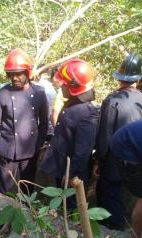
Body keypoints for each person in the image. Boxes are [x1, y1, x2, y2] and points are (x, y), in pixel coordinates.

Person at [96, 52, 142, 230]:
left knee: (108, 193)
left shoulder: (113, 101)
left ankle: (112, 229)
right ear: (139, 78)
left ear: (120, 77)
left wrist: (99, 159)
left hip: (115, 160)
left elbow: (104, 136)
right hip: (139, 160)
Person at [40, 58, 99, 209]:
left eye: (64, 84)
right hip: (60, 167)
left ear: (73, 86)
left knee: (71, 209)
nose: (61, 88)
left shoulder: (87, 114)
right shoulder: (72, 104)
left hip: (72, 173)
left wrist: (71, 173)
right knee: (61, 207)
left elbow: (83, 150)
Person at [0, 48, 49, 194]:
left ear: (27, 73)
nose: (15, 78)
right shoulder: (3, 93)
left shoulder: (39, 93)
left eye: (19, 74)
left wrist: (39, 144)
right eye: (11, 75)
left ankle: (27, 216)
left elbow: (44, 122)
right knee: (3, 191)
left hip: (30, 151)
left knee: (27, 191)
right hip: (7, 150)